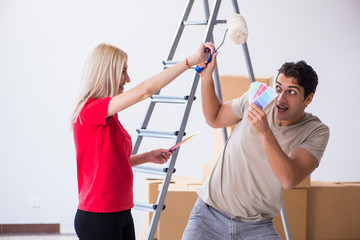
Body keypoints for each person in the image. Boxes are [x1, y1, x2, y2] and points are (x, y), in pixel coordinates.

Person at [72, 42, 215, 240]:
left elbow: (110, 164)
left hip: (120, 211)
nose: (127, 79)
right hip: (99, 215)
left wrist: (147, 156)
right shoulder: (91, 111)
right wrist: (191, 60)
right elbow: (144, 91)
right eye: (123, 71)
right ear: (106, 73)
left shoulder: (108, 115)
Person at [182, 53, 330, 240]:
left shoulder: (315, 131)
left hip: (257, 227)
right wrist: (206, 76)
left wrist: (265, 132)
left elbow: (289, 179)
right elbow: (215, 117)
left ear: (308, 99)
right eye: (278, 88)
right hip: (208, 216)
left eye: (291, 92)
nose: (280, 99)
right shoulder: (259, 99)